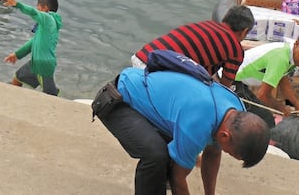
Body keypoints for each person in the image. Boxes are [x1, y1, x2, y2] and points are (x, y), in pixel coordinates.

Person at [96, 66, 269, 195]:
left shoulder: (235, 108)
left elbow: (213, 154)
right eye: (231, 153)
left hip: (154, 101)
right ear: (225, 135)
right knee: (157, 155)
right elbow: (178, 178)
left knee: (172, 158)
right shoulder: (198, 126)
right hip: (117, 100)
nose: (227, 153)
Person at [131, 5, 254, 87]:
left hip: (141, 56)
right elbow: (225, 86)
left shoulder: (206, 24)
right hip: (155, 71)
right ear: (244, 31)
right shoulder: (235, 49)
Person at [235, 31, 299, 118]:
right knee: (266, 119)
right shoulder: (281, 58)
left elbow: (284, 83)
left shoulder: (290, 54)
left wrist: (296, 104)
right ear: (297, 44)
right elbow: (262, 95)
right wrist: (281, 108)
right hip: (232, 81)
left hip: (242, 83)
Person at [2, 0, 62, 96]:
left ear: (45, 9)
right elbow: (33, 42)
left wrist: (17, 4)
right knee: (17, 78)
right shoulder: (44, 27)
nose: (37, 11)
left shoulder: (48, 19)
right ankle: (12, 98)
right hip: (35, 62)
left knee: (51, 95)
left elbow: (33, 12)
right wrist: (17, 54)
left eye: (39, 9)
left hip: (44, 65)